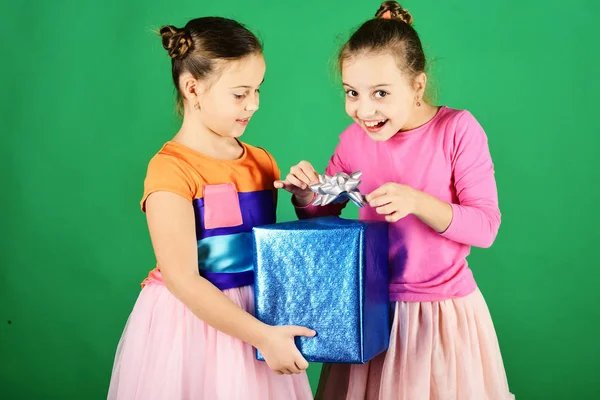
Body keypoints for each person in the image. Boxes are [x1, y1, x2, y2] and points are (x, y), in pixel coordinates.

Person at [275, 2, 514, 399]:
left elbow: (485, 227)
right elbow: (326, 215)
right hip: (368, 311)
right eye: (352, 93)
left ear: (417, 86)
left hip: (440, 314)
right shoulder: (353, 141)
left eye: (381, 93)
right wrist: (306, 195)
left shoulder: (456, 130)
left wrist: (417, 201)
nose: (364, 110)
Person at [107, 16, 314, 400]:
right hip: (194, 326)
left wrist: (305, 199)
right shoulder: (170, 169)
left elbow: (277, 246)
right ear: (193, 88)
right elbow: (182, 278)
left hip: (258, 314)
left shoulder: (262, 162)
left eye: (257, 90)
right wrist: (262, 336)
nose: (254, 103)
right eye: (240, 94)